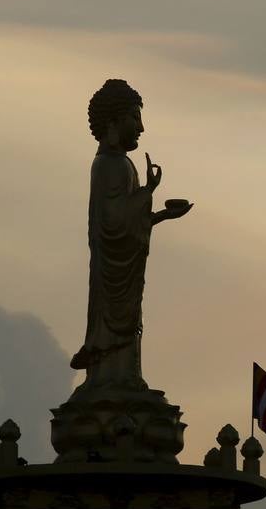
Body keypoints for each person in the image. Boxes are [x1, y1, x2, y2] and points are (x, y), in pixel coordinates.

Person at [69, 79, 192, 388]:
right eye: (134, 117)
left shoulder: (123, 165)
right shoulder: (110, 165)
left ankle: (124, 374)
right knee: (117, 325)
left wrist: (162, 214)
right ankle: (112, 376)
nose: (140, 127)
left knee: (131, 321)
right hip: (112, 275)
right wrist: (149, 190)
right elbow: (113, 221)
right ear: (113, 122)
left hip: (123, 271)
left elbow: (127, 223)